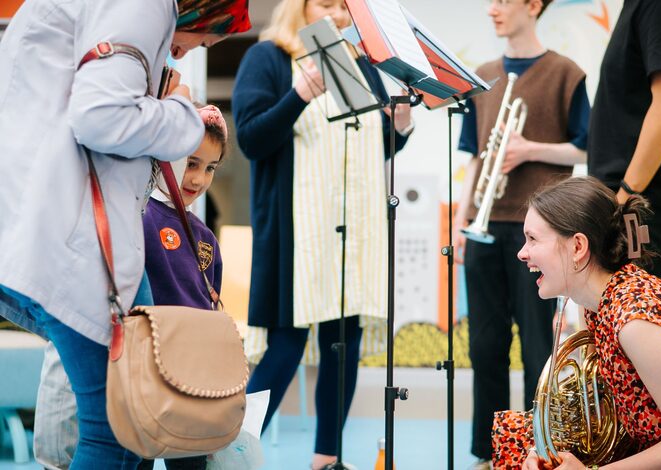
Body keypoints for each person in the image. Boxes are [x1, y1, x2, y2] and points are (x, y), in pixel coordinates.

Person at [0, 1, 250, 468]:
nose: (186, 51)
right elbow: (100, 117)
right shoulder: (146, 4)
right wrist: (180, 112)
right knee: (116, 429)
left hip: (43, 224)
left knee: (128, 421)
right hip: (70, 236)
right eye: (208, 40)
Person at [231, 0, 412, 468]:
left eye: (344, 5)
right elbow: (250, 139)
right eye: (326, 2)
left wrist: (401, 129)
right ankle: (229, 453)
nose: (336, 13)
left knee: (343, 342)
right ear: (300, 5)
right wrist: (300, 94)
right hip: (295, 232)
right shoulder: (267, 58)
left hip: (351, 227)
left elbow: (368, 146)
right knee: (285, 346)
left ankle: (325, 459)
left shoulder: (358, 64)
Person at [491, 176, 661, 468]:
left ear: (578, 246)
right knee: (519, 442)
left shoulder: (635, 323)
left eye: (532, 239)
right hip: (642, 448)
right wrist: (545, 451)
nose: (522, 253)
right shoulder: (596, 305)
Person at [454, 0, 590, 466]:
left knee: (538, 347)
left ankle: (540, 448)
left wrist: (529, 148)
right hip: (484, 226)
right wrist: (460, 223)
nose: (492, 9)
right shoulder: (482, 74)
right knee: (484, 346)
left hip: (542, 232)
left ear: (533, 6)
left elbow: (585, 145)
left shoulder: (566, 73)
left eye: (503, 1)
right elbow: (474, 156)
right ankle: (489, 452)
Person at [587, 0, 661, 292]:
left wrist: (624, 196)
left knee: (645, 325)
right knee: (622, 327)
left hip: (640, 208)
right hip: (630, 205)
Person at [136, 104, 228, 470]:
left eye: (210, 168)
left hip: (193, 378)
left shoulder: (205, 236)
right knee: (136, 459)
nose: (199, 179)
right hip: (144, 373)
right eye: (191, 163)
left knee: (190, 463)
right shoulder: (138, 216)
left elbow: (211, 304)